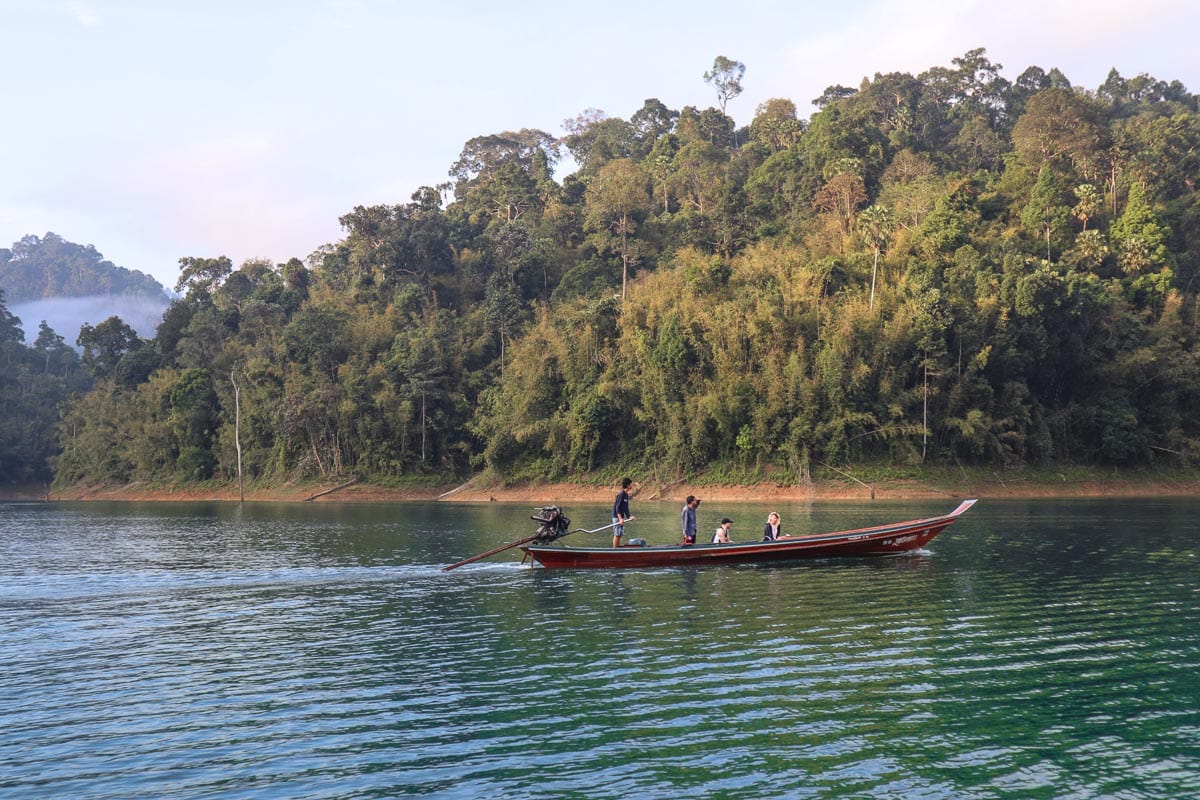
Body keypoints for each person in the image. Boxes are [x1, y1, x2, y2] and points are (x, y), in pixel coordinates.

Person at [612, 477, 639, 547]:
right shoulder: (621, 494)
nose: (631, 486)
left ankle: (618, 549)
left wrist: (629, 516)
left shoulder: (626, 495)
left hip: (621, 517)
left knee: (620, 534)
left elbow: (626, 508)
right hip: (617, 517)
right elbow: (617, 507)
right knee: (617, 534)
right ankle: (615, 551)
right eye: (631, 484)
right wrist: (620, 518)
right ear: (627, 485)